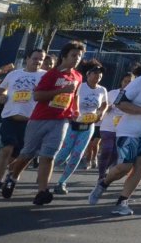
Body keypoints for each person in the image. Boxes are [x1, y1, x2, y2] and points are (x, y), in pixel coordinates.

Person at [89, 51, 141, 217]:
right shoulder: (140, 82)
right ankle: (103, 183)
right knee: (125, 166)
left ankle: (122, 201)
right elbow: (120, 103)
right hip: (130, 130)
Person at [2, 40, 86, 205]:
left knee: (48, 155)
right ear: (64, 56)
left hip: (61, 120)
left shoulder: (77, 76)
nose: (77, 59)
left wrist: (75, 110)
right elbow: (38, 96)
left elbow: (75, 96)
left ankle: (42, 191)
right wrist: (61, 90)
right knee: (27, 154)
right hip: (40, 119)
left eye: (79, 56)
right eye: (73, 55)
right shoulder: (51, 75)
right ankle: (12, 176)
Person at [0, 49, 46, 196]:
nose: (37, 61)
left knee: (20, 155)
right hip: (10, 118)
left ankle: (8, 172)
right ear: (27, 59)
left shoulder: (45, 76)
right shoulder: (14, 74)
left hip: (30, 122)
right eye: (35, 58)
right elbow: (1, 89)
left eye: (41, 59)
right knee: (6, 149)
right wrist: (2, 95)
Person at [52, 59, 108, 193]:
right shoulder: (80, 86)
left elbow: (105, 104)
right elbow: (70, 98)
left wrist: (101, 113)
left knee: (77, 154)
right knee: (63, 154)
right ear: (88, 74)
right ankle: (46, 170)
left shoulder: (102, 90)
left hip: (89, 126)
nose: (98, 76)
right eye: (95, 73)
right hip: (73, 124)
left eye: (100, 74)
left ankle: (62, 182)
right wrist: (73, 112)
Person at [95, 69, 132, 186]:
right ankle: (101, 175)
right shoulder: (112, 93)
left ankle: (106, 169)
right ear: (121, 82)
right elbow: (102, 106)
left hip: (123, 128)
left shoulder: (134, 97)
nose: (127, 84)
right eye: (125, 81)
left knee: (115, 153)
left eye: (130, 82)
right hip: (108, 126)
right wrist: (108, 108)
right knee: (107, 149)